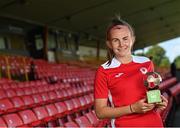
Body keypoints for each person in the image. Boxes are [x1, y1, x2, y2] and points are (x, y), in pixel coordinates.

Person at [94, 16, 168, 127]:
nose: (121, 44)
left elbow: (151, 93)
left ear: (132, 39)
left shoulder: (146, 62)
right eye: (115, 40)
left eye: (125, 38)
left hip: (154, 123)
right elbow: (100, 112)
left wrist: (159, 102)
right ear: (109, 44)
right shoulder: (103, 71)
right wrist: (132, 108)